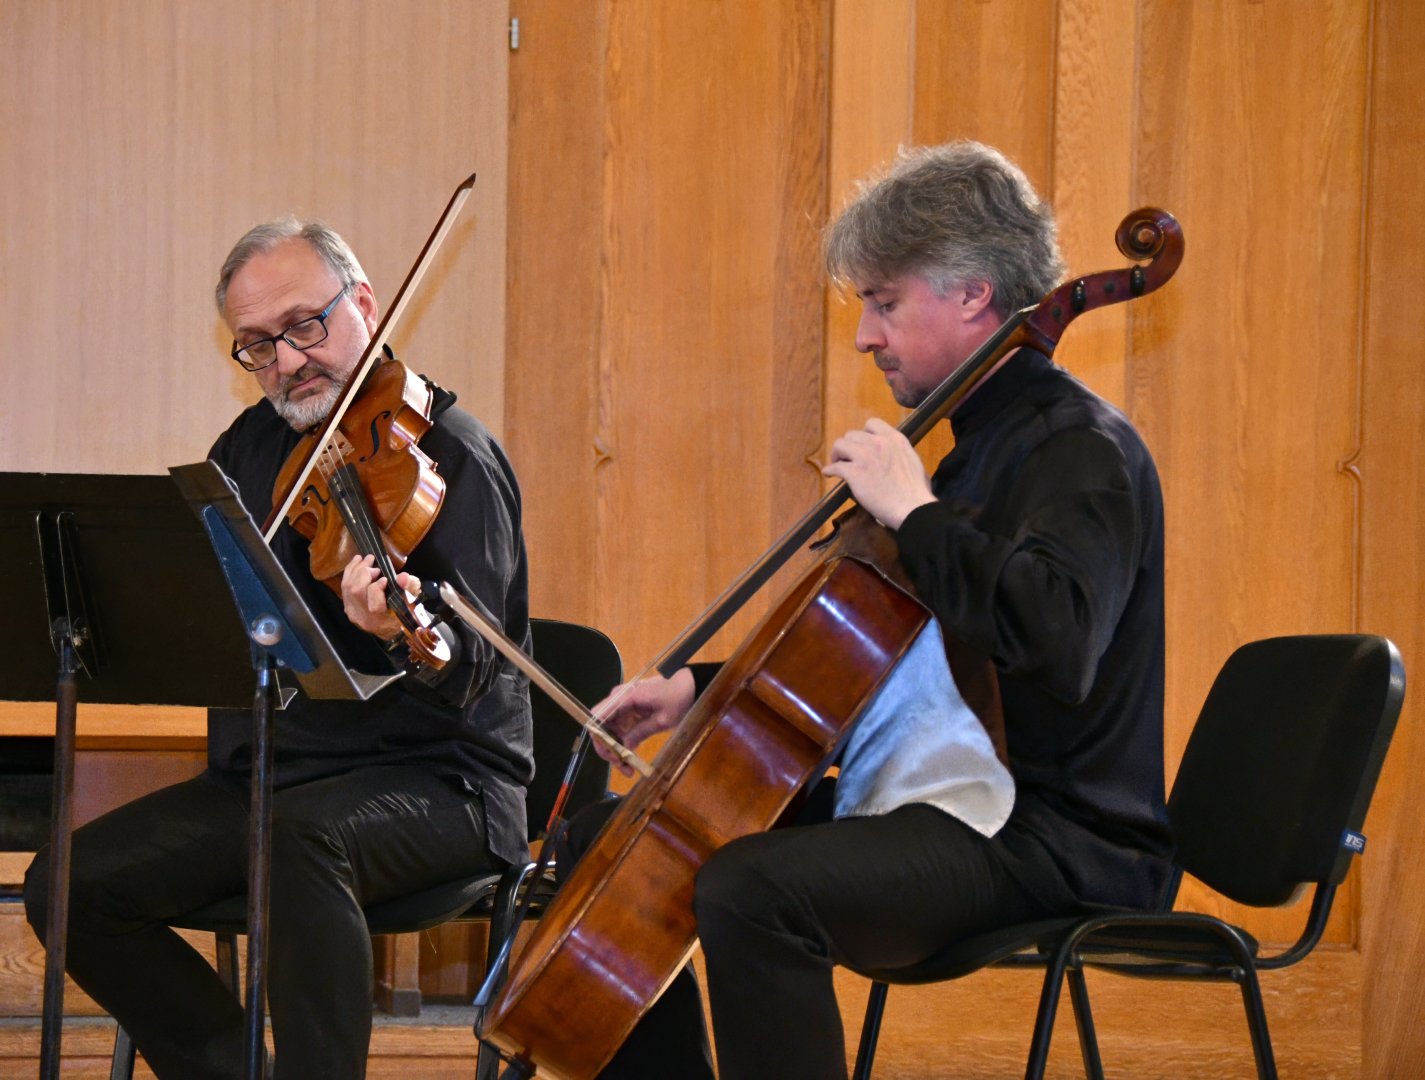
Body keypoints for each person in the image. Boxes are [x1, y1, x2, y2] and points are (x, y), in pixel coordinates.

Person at [574, 140, 1175, 1079]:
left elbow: (1055, 643)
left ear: (973, 292)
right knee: (625, 839)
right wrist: (703, 688)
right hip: (943, 798)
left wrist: (919, 514)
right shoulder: (967, 445)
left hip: (1048, 831)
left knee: (753, 887)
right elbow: (876, 650)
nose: (864, 335)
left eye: (884, 303)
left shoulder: (1078, 449)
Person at [23, 218, 534, 1079]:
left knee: (299, 841)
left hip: (443, 781)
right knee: (69, 887)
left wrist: (406, 637)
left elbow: (474, 673)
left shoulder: (450, 455)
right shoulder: (249, 448)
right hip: (270, 777)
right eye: (257, 346)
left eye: (306, 325)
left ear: (363, 304)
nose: (289, 362)